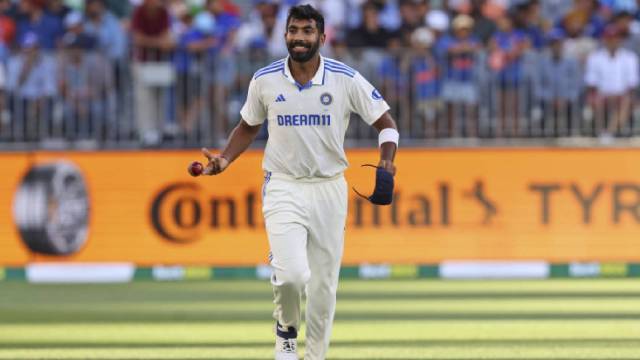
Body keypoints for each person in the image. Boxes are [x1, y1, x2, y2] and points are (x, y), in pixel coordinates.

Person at [197, 5, 399, 360]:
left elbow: (387, 124)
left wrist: (386, 161)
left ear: (322, 38)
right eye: (293, 31)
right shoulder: (265, 79)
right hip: (283, 185)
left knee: (323, 286)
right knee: (291, 275)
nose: (299, 38)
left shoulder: (345, 78)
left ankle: (315, 356)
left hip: (329, 187)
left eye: (307, 32)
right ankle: (286, 336)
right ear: (285, 34)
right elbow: (248, 126)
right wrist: (224, 160)